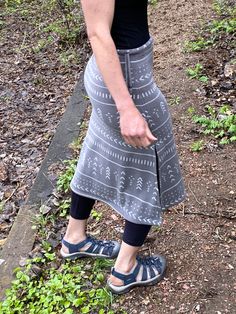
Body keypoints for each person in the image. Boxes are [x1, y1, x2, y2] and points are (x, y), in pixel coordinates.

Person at [60, 0, 186, 294]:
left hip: (118, 71)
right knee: (150, 167)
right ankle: (124, 270)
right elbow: (98, 33)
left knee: (95, 152)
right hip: (125, 79)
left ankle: (74, 238)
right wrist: (126, 108)